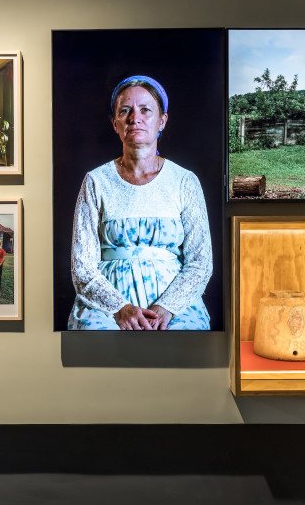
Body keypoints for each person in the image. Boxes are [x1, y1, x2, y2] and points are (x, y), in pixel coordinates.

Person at [68, 75, 212, 330]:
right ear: (115, 123)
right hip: (108, 306)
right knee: (94, 337)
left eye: (145, 109)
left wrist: (166, 307)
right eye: (126, 111)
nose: (135, 118)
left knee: (186, 338)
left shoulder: (184, 181)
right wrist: (120, 309)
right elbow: (82, 267)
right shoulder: (96, 181)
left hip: (173, 304)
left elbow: (201, 263)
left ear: (162, 120)